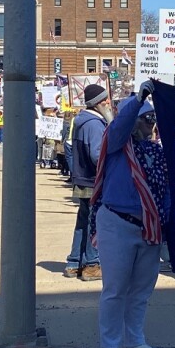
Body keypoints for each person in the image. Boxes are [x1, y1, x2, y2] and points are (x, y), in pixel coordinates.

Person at [92, 81, 168, 348]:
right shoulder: (117, 146)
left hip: (149, 226)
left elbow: (166, 191)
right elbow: (119, 127)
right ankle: (110, 345)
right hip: (117, 223)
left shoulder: (156, 152)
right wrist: (139, 99)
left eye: (152, 118)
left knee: (141, 290)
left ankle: (135, 341)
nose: (151, 124)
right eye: (146, 119)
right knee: (115, 288)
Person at [64, 83, 111, 281]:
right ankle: (92, 265)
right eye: (105, 99)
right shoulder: (93, 124)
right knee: (95, 223)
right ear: (97, 104)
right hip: (93, 180)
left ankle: (74, 262)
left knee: (83, 222)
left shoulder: (83, 121)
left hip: (83, 178)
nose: (109, 102)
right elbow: (97, 155)